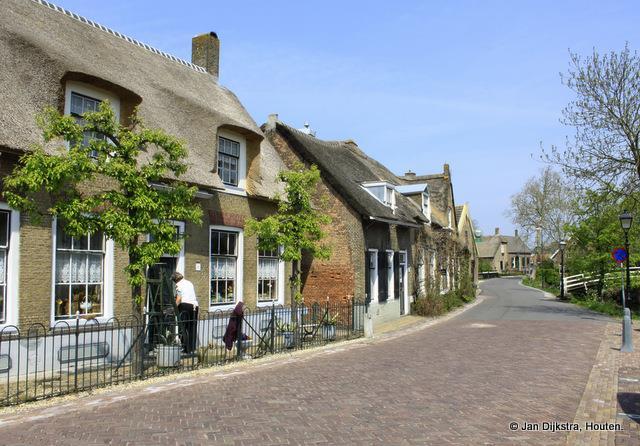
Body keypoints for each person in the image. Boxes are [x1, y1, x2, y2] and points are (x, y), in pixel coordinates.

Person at [171, 271, 199, 354]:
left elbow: (179, 299)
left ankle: (185, 348)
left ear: (175, 280)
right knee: (192, 328)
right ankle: (192, 348)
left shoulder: (178, 285)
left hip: (185, 306)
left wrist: (173, 308)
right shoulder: (189, 283)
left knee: (182, 327)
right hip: (195, 306)